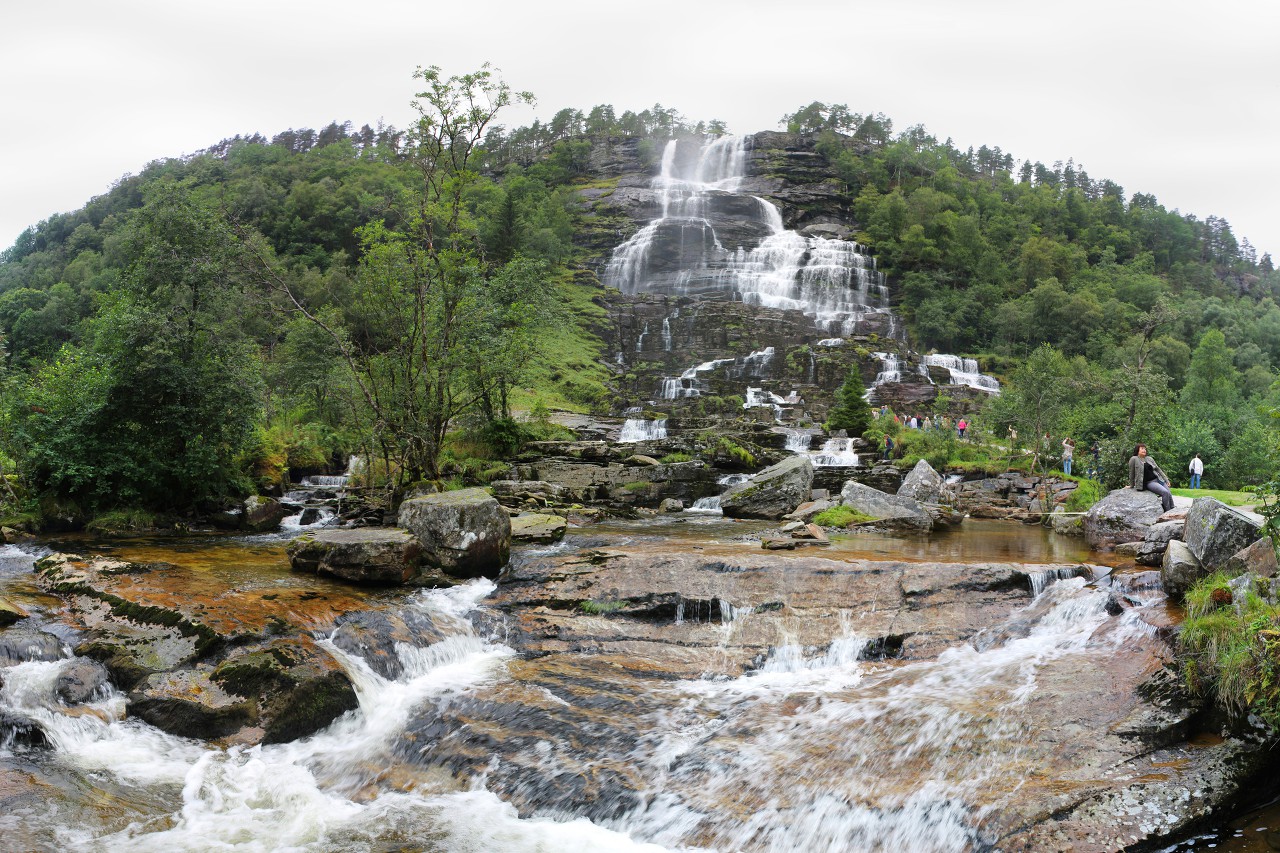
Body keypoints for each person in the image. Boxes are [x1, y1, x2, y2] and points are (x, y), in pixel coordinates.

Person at [1128, 444, 1174, 512]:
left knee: (1169, 493)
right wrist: (1131, 485)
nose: (1144, 450)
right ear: (1137, 450)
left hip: (1158, 479)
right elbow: (1131, 473)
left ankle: (1173, 509)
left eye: (1145, 449)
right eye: (1142, 448)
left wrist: (1166, 480)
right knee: (1165, 492)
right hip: (1150, 482)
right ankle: (1168, 512)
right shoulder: (1134, 459)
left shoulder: (1149, 458)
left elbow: (1158, 469)